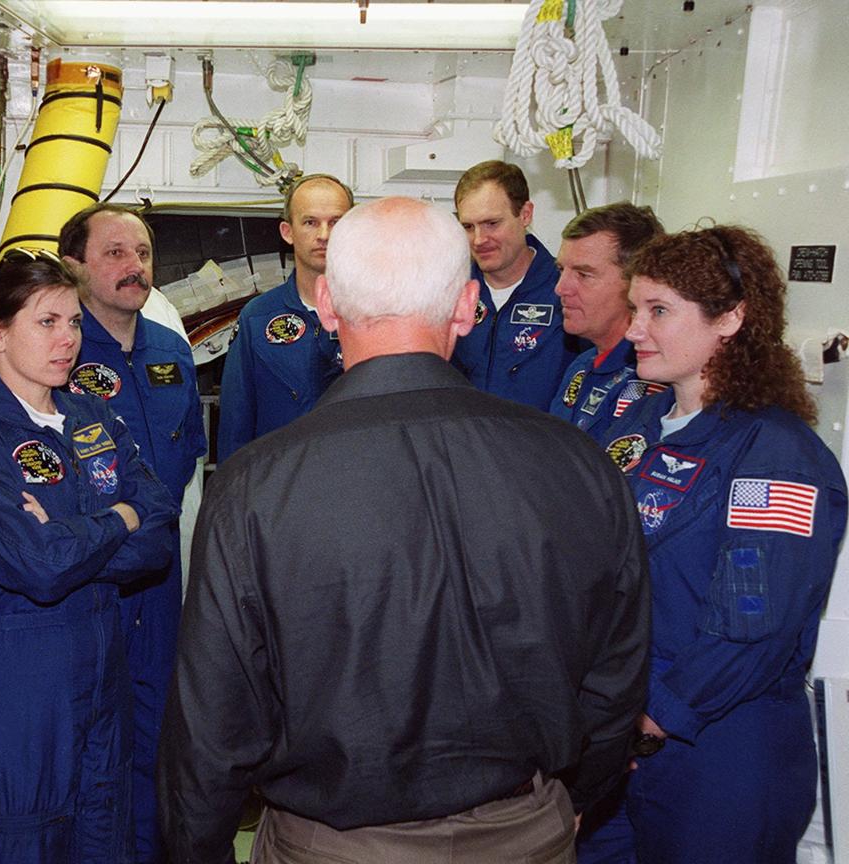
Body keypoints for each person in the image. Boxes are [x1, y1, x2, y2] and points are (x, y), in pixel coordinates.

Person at [160, 196, 650, 864]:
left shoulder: (255, 487)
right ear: (466, 306)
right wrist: (573, 803)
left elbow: (213, 720)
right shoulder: (579, 466)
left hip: (330, 846)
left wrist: (198, 850)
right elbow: (615, 676)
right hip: (524, 834)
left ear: (328, 305)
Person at [584, 226, 848, 863]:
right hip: (622, 738)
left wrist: (647, 726)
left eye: (659, 311)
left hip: (715, 757)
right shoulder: (640, 425)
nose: (635, 328)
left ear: (730, 319)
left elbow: (749, 631)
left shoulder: (774, 456)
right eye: (637, 307)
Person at [0, 250, 179, 863]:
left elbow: (159, 531)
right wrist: (119, 517)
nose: (68, 339)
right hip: (17, 686)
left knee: (104, 841)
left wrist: (69, 532)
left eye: (74, 322)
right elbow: (38, 568)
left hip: (101, 670)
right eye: (46, 322)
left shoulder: (90, 416)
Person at [59, 203, 207, 864]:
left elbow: (190, 464)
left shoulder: (171, 349)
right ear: (75, 266)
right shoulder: (56, 350)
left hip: (162, 575)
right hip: (92, 576)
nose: (134, 267)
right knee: (90, 736)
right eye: (115, 253)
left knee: (158, 732)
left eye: (142, 254)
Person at [216, 173, 353, 463]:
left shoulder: (375, 313)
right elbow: (235, 422)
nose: (324, 235)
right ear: (287, 231)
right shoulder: (258, 318)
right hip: (276, 491)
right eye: (310, 222)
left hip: (355, 484)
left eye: (336, 222)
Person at [452, 160, 580, 410]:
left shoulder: (566, 292)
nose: (479, 240)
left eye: (492, 224)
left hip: (540, 444)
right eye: (468, 227)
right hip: (465, 444)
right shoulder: (451, 292)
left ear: (525, 214)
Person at [550, 203, 666, 441]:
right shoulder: (581, 365)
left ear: (635, 282)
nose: (560, 288)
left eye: (583, 274)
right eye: (561, 270)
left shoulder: (654, 377)